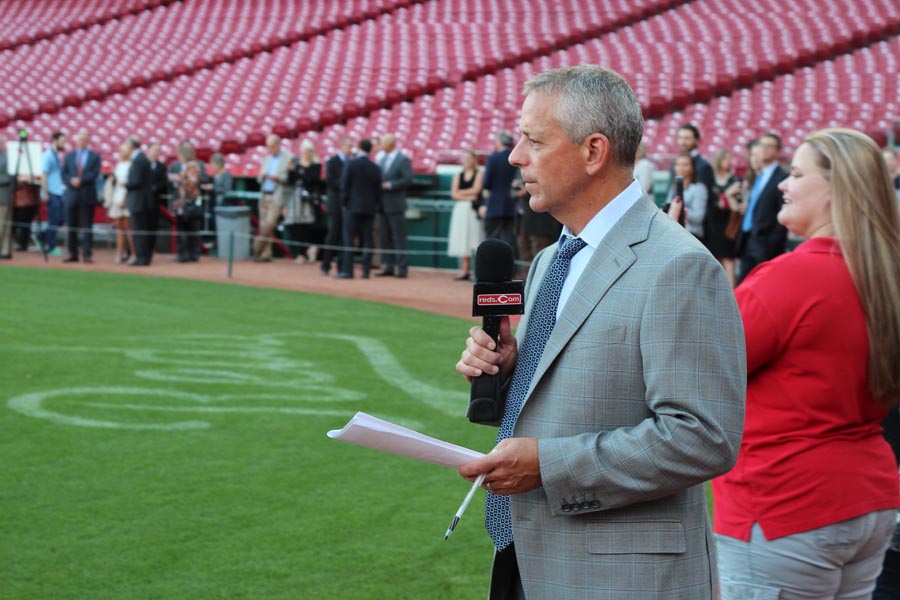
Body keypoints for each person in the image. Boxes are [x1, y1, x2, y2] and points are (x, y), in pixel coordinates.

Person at [455, 65, 745, 599]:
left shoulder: (679, 266)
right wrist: (514, 370)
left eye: (534, 140)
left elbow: (704, 438)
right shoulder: (549, 260)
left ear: (594, 152)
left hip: (619, 577)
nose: (516, 156)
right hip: (529, 555)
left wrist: (548, 465)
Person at [712, 128, 900, 598]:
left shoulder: (792, 277)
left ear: (837, 188)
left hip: (785, 502)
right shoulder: (882, 275)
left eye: (795, 173)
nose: (782, 183)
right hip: (866, 497)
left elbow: (700, 366)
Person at [736, 132, 788, 283]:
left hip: (766, 243)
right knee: (744, 286)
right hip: (748, 238)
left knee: (763, 284)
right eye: (761, 145)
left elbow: (782, 213)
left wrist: (772, 243)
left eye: (769, 146)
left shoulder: (782, 177)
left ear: (777, 151)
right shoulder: (759, 175)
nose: (764, 149)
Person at [336, 138, 381, 279]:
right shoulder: (375, 168)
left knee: (348, 239)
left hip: (352, 207)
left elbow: (344, 186)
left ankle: (347, 271)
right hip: (368, 208)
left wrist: (343, 203)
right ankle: (366, 271)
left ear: (360, 148)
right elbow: (377, 191)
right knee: (368, 240)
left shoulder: (351, 164)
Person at [376, 133, 413, 278]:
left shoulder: (402, 159)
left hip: (396, 204)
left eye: (383, 143)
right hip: (383, 204)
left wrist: (390, 185)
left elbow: (408, 179)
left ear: (391, 144)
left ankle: (402, 268)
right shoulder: (381, 159)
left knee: (399, 237)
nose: (381, 145)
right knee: (385, 237)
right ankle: (389, 266)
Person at [61, 130, 101, 263]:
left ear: (88, 141)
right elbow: (64, 173)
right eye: (80, 139)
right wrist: (71, 180)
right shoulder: (70, 156)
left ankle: (87, 254)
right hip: (71, 194)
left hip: (87, 194)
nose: (82, 142)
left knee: (87, 226)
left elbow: (94, 174)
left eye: (84, 139)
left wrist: (81, 180)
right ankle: (73, 253)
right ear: (76, 141)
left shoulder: (94, 157)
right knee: (71, 225)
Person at [254, 134, 294, 262]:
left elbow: (289, 177)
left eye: (271, 146)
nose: (269, 149)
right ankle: (266, 253)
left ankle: (257, 247)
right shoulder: (266, 158)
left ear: (278, 145)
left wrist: (276, 177)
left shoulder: (288, 157)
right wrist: (264, 176)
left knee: (270, 223)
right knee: (263, 224)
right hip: (264, 194)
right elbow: (259, 177)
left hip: (277, 194)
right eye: (268, 146)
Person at [446, 150, 484, 280]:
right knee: (462, 238)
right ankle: (464, 271)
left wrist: (461, 193)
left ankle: (476, 271)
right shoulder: (458, 175)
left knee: (474, 237)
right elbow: (453, 194)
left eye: (469, 158)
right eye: (465, 158)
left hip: (473, 210)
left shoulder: (479, 173)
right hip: (461, 210)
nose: (467, 161)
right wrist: (468, 194)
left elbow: (477, 190)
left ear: (474, 160)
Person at [480, 130, 519, 253]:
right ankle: (511, 270)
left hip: (495, 205)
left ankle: (492, 271)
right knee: (509, 239)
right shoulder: (516, 158)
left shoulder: (493, 158)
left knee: (492, 239)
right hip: (512, 205)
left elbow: (487, 183)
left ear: (500, 142)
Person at [284, 140, 322, 265]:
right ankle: (306, 250)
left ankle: (303, 253)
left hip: (308, 199)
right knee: (292, 224)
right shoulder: (297, 165)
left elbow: (310, 179)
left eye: (308, 151)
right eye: (304, 151)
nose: (305, 153)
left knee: (305, 226)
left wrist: (300, 170)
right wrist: (291, 170)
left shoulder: (316, 166)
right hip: (295, 198)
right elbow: (290, 181)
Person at [707, 149, 741, 287]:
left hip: (728, 222)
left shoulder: (734, 179)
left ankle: (733, 291)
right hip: (713, 221)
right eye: (726, 159)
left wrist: (724, 197)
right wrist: (726, 195)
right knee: (715, 257)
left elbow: (734, 203)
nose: (729, 162)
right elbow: (714, 201)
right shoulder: (712, 178)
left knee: (729, 258)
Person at [321, 137, 353, 276]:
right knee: (332, 234)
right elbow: (330, 181)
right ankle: (326, 265)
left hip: (347, 204)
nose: (350, 150)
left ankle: (341, 265)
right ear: (342, 146)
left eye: (351, 147)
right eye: (348, 146)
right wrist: (345, 182)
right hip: (335, 203)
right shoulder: (332, 162)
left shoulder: (351, 163)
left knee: (343, 236)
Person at [125, 136, 156, 266]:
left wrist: (125, 184)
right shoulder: (142, 159)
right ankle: (144, 257)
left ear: (131, 147)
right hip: (144, 201)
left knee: (139, 231)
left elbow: (136, 182)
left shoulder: (138, 160)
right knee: (141, 230)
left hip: (139, 201)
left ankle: (141, 258)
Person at [104, 141, 135, 264]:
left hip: (126, 199)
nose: (121, 153)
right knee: (120, 228)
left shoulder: (131, 165)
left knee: (129, 228)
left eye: (123, 150)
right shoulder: (118, 165)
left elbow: (129, 183)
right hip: (117, 198)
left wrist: (125, 199)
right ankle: (119, 253)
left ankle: (133, 253)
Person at [668, 152, 707, 240]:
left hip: (692, 234)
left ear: (692, 168)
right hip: (674, 232)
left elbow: (698, 218)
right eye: (677, 164)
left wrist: (680, 210)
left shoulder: (699, 188)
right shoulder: (673, 186)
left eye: (685, 165)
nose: (680, 168)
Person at [39, 131, 66, 256]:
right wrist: (45, 192)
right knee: (53, 220)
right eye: (62, 141)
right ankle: (51, 246)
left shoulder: (57, 155)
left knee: (60, 219)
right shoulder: (48, 155)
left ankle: (40, 235)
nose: (63, 144)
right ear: (55, 140)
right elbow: (44, 174)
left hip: (58, 191)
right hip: (51, 191)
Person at [173, 160, 203, 262]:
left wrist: (198, 206)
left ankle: (193, 254)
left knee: (193, 232)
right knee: (182, 233)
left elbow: (199, 198)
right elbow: (180, 196)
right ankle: (183, 254)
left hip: (193, 209)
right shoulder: (182, 181)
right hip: (183, 208)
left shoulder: (197, 184)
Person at [0, 140, 12, 258]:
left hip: (3, 196)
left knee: (4, 225)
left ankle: (5, 250)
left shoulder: (7, 157)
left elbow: (9, 177)